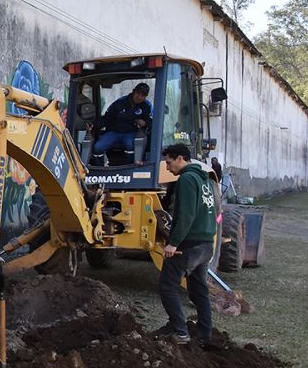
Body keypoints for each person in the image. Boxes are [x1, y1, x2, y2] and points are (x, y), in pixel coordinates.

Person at [156, 144, 217, 344]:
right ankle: (205, 335)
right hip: (206, 244)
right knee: (199, 291)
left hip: (189, 244)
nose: (166, 167)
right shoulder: (204, 179)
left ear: (180, 158)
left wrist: (173, 244)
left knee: (167, 286)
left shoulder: (186, 180)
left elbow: (186, 215)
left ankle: (180, 332)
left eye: (169, 162)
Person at [91, 83, 152, 166]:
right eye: (138, 93)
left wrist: (145, 123)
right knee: (98, 147)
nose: (139, 97)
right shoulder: (119, 103)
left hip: (131, 132)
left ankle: (129, 168)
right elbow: (106, 119)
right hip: (114, 131)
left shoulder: (147, 106)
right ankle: (100, 168)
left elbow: (152, 121)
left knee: (130, 145)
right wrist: (93, 125)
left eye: (143, 95)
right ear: (133, 92)